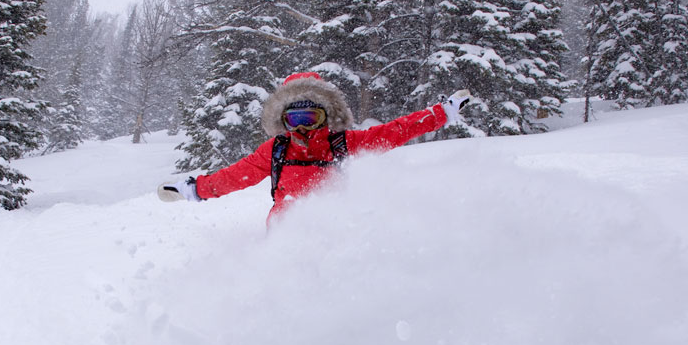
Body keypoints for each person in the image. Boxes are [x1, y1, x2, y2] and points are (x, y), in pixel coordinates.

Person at [161, 72, 470, 222]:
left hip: (333, 233)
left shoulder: (344, 144)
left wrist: (444, 112)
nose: (303, 127)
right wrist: (194, 189)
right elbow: (233, 175)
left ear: (327, 116)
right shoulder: (276, 149)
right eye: (295, 118)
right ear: (283, 120)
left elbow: (397, 130)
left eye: (311, 116)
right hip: (283, 236)